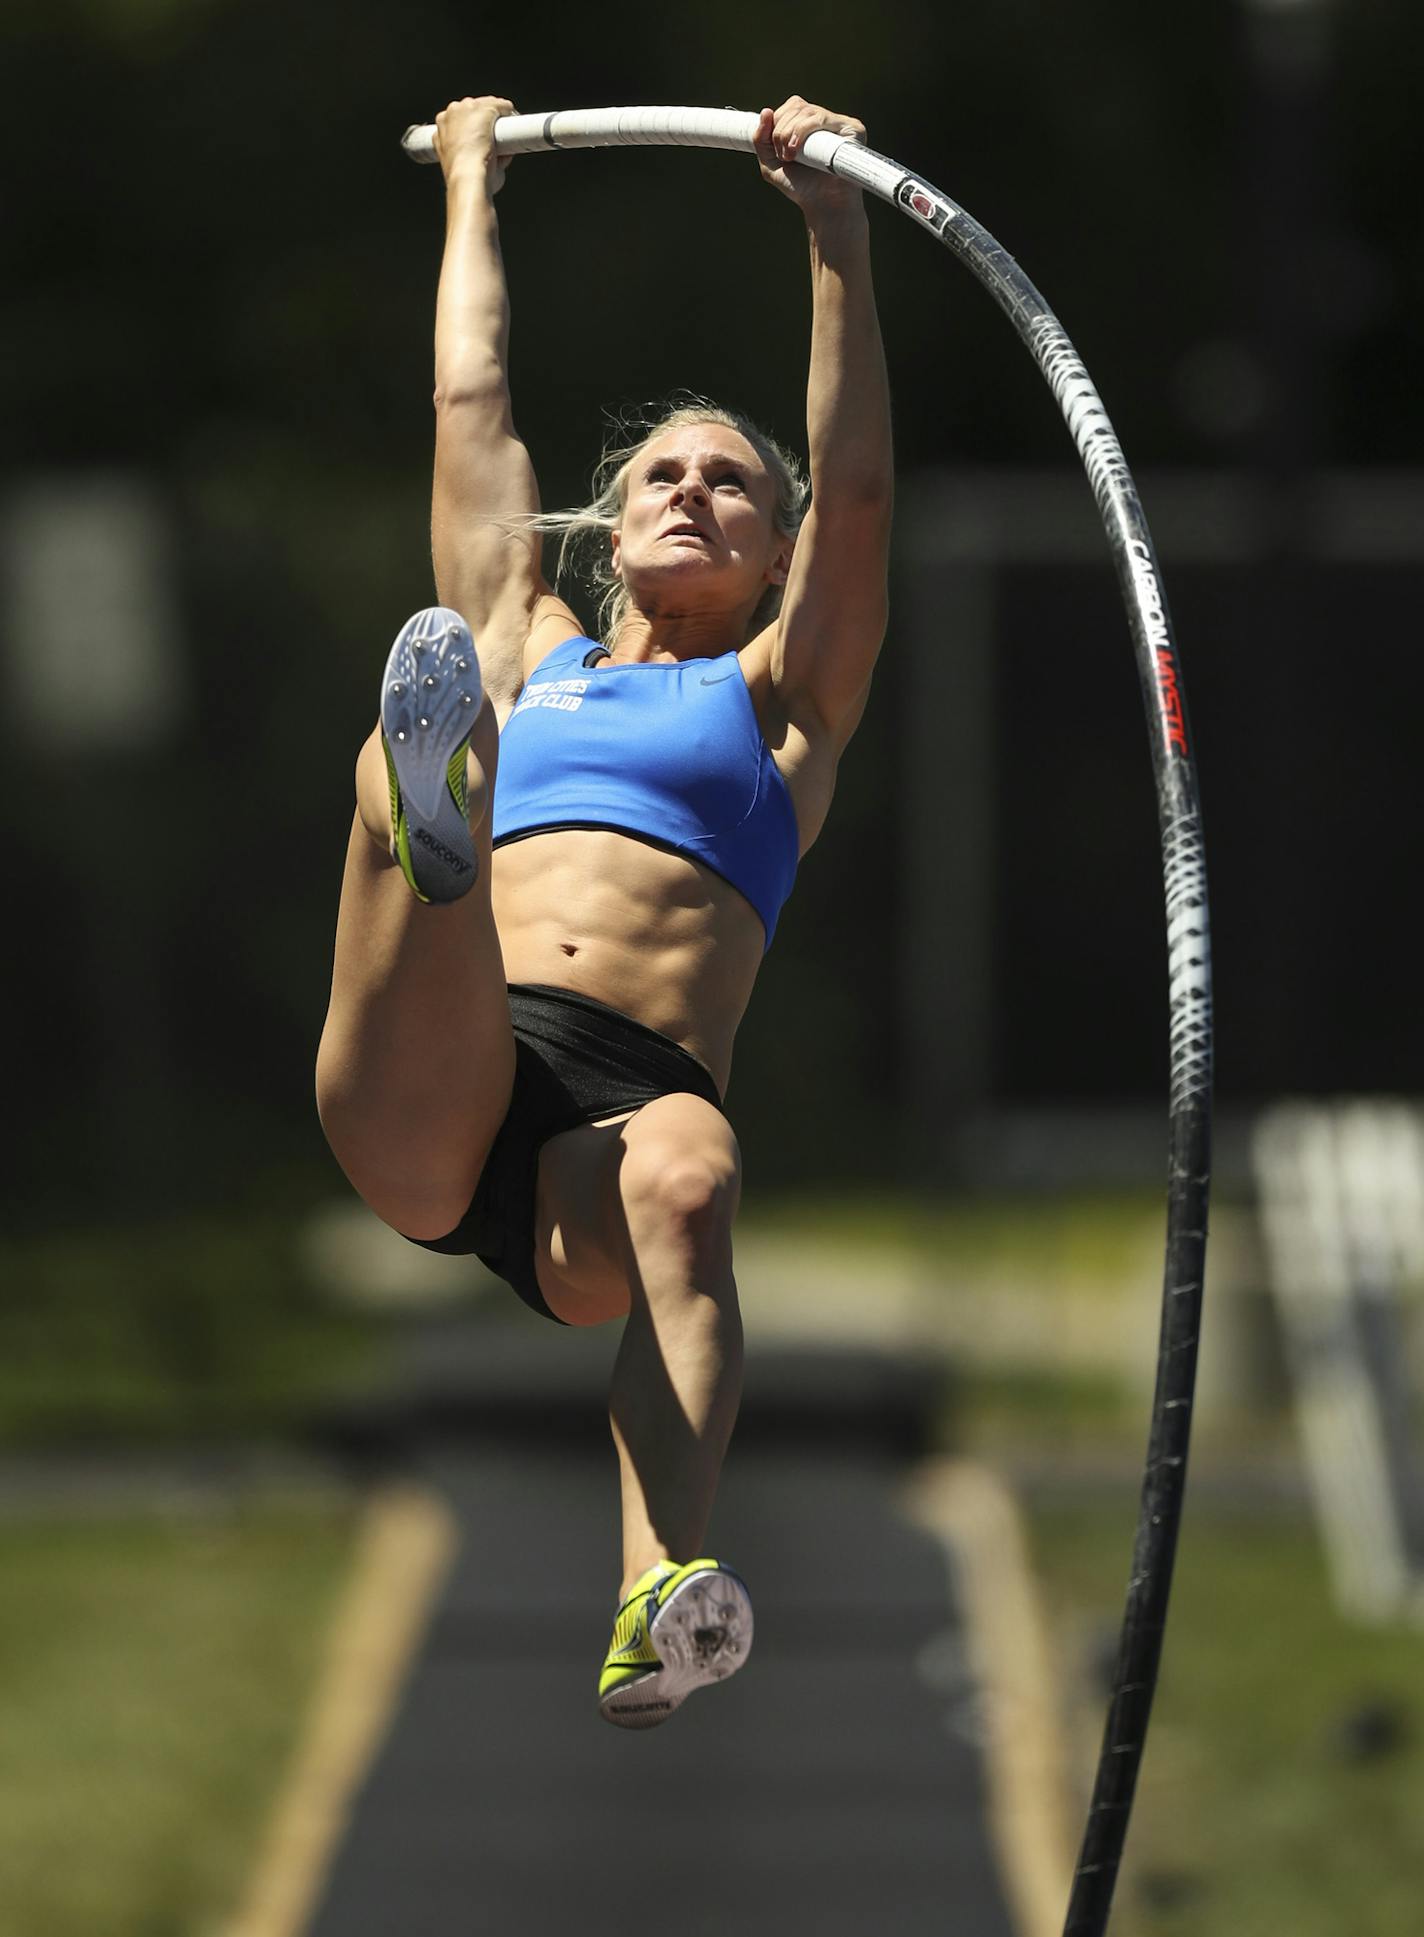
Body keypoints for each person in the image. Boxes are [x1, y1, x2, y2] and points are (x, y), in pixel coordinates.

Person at [315, 93, 892, 1728]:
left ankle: (659, 1593)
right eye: (663, 470)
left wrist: (833, 226)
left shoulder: (784, 708)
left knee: (698, 1162)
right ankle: (423, 828)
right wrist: (474, 183)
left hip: (608, 1140)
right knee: (429, 710)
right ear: (612, 515)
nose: (696, 490)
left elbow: (856, 494)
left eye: (733, 482)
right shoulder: (528, 635)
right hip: (445, 1062)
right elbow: (468, 395)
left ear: (775, 555)